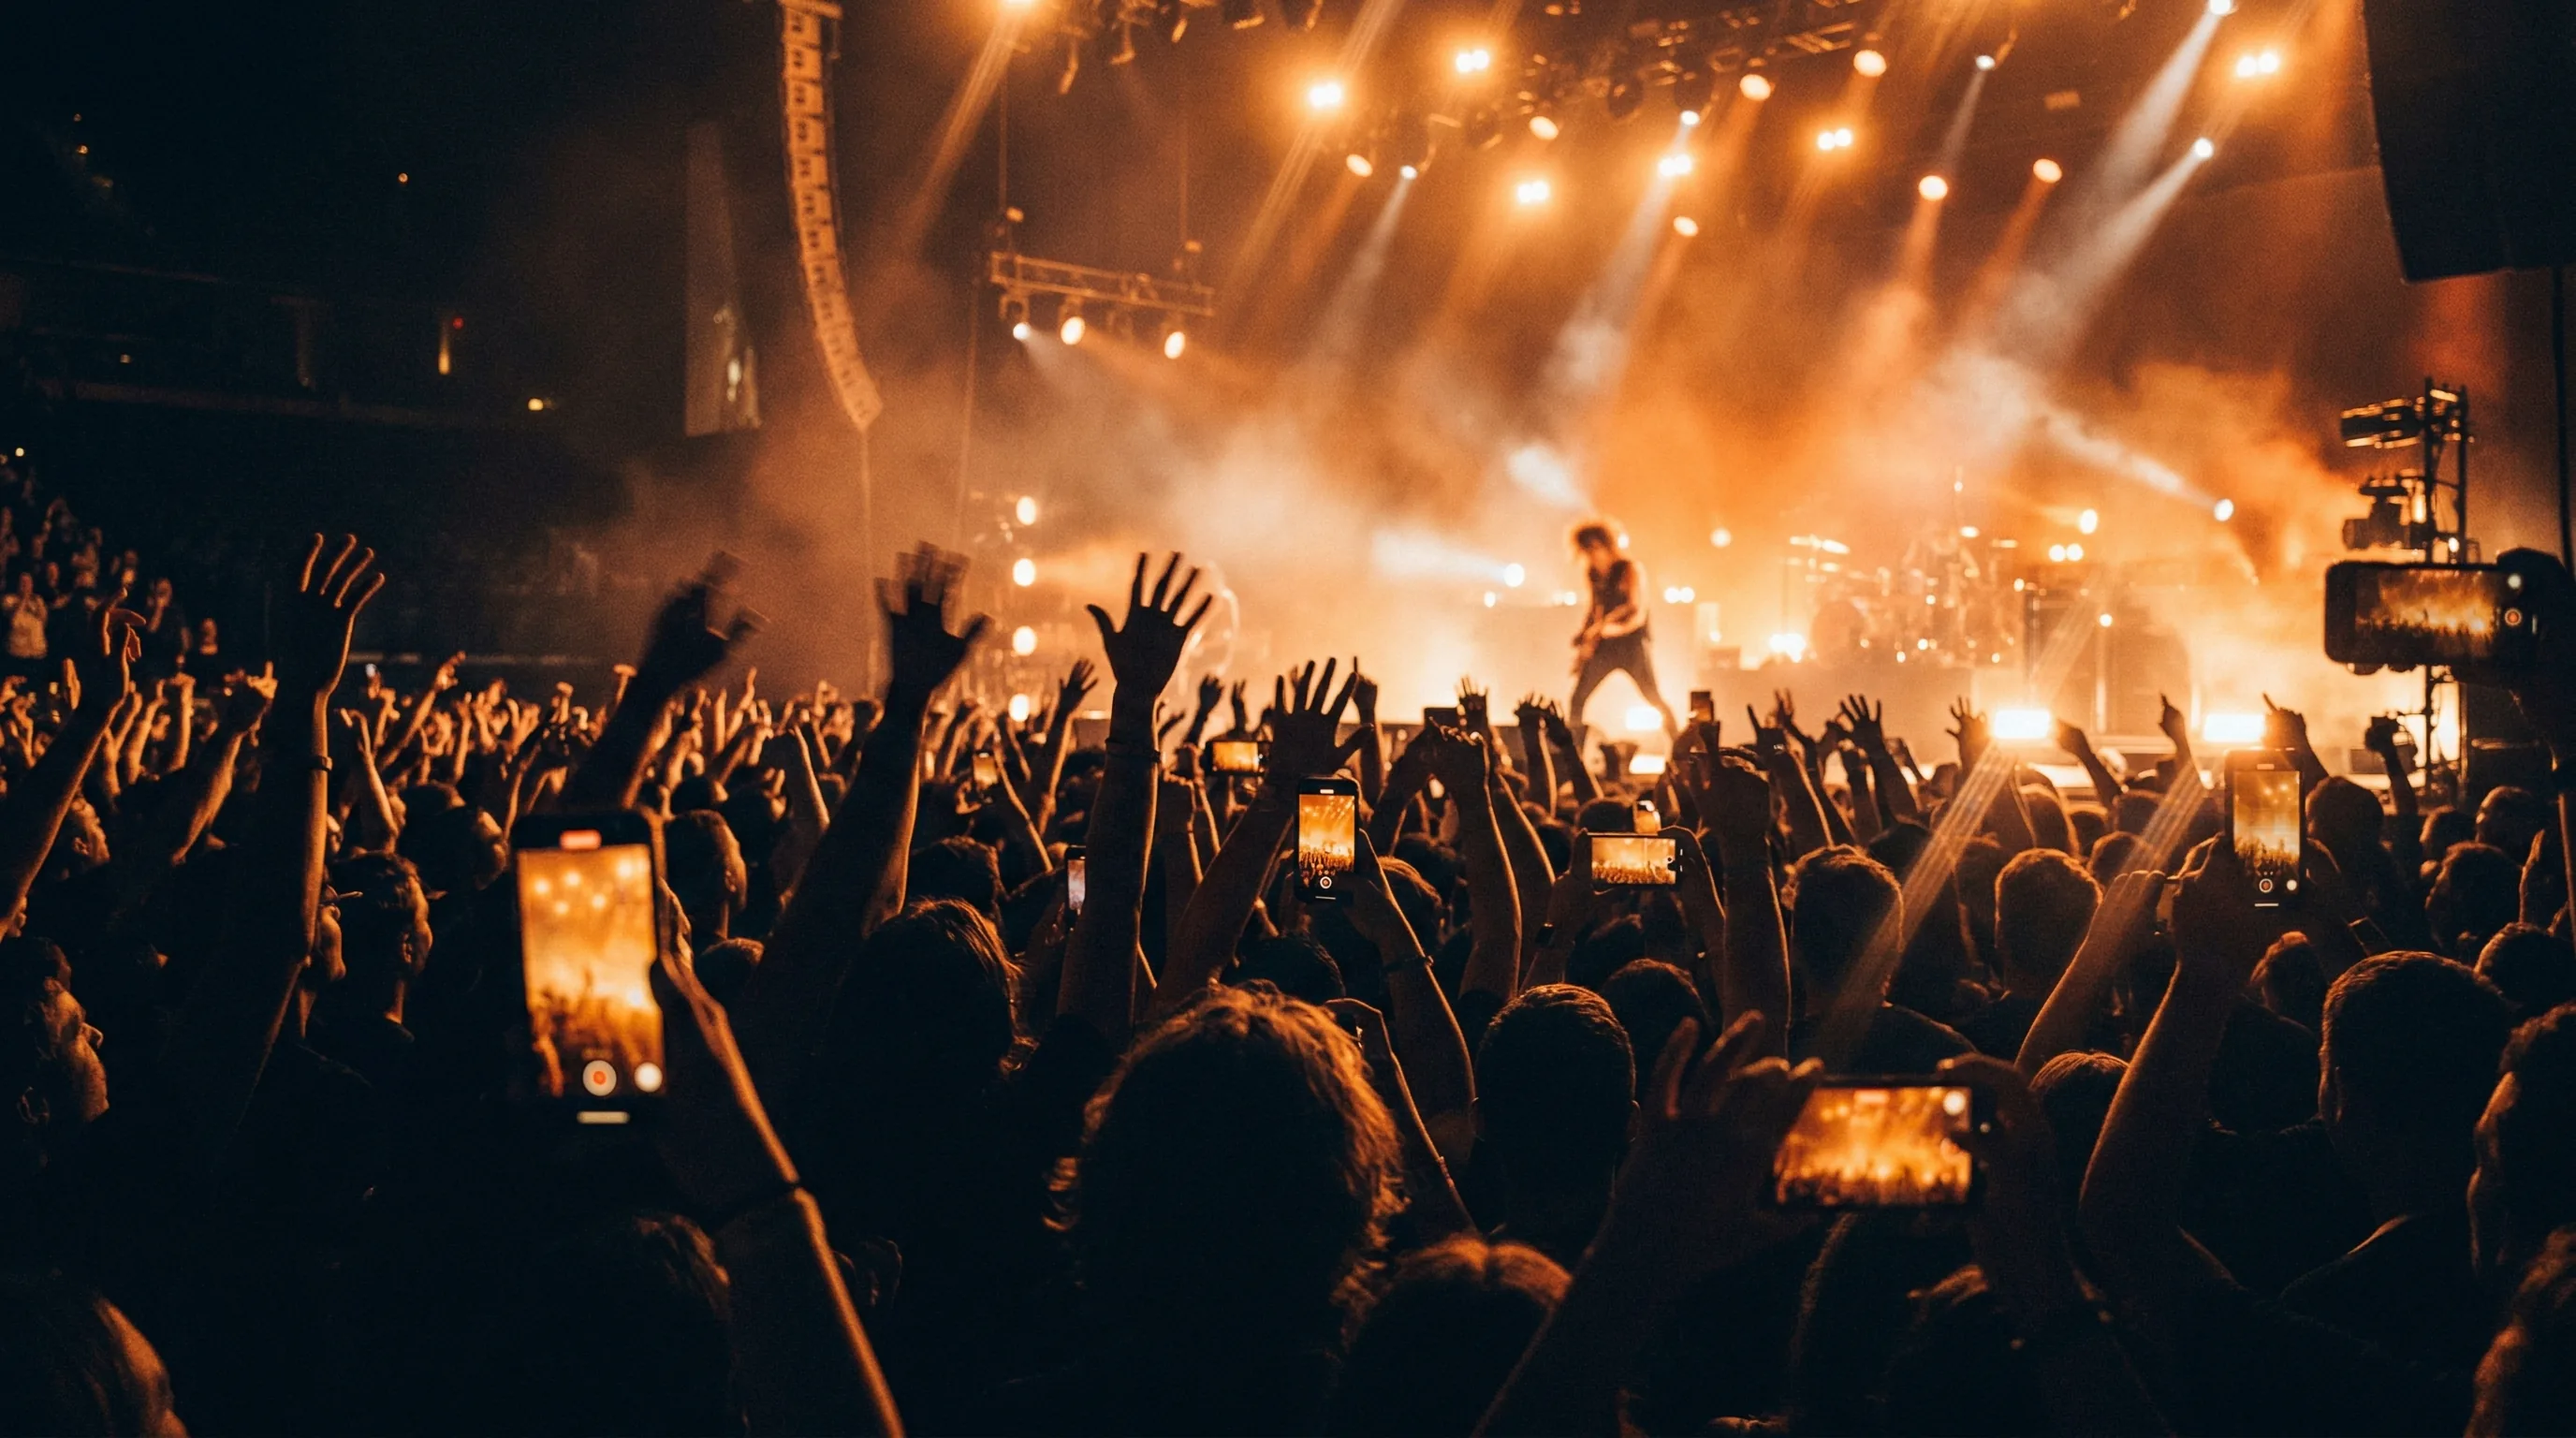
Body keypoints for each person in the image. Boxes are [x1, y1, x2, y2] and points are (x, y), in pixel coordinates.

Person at [1564, 520, 1675, 739]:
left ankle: (1680, 745)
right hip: (1605, 646)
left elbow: (1635, 609)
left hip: (1631, 645)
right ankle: (1572, 748)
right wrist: (1584, 632)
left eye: (1595, 549)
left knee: (1652, 697)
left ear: (1606, 545)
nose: (1592, 556)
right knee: (1578, 697)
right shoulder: (1593, 574)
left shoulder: (1629, 569)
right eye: (1587, 551)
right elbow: (1594, 607)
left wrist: (1608, 627)